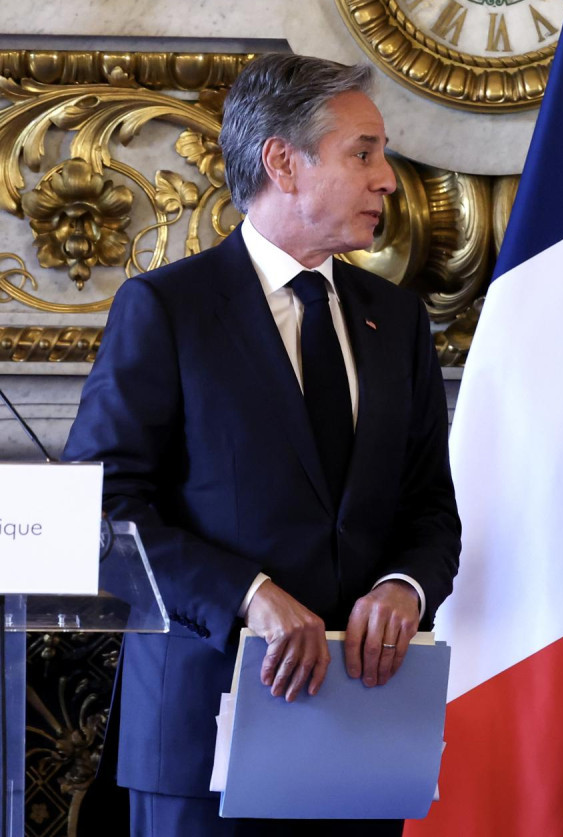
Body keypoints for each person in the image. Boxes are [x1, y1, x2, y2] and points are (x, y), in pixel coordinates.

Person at [62, 54, 461, 836]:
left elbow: (430, 506)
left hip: (360, 728)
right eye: (364, 153)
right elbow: (102, 511)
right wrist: (248, 595)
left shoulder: (399, 321)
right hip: (200, 739)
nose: (387, 179)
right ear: (283, 160)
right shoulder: (168, 310)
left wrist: (405, 585)